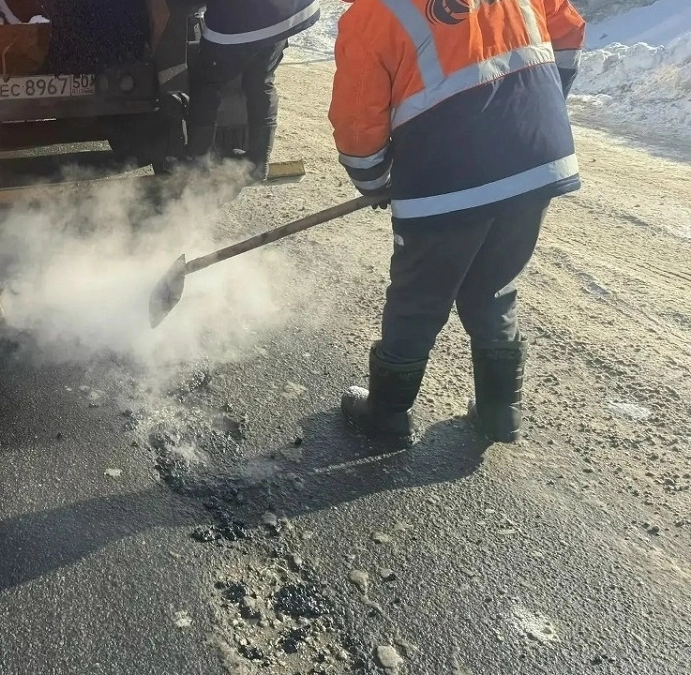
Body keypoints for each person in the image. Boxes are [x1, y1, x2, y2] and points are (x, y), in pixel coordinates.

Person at [329, 0, 586, 448]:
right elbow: (568, 33)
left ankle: (387, 415)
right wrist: (536, 111)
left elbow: (357, 121)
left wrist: (374, 182)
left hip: (447, 177)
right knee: (493, 285)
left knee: (419, 296)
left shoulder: (373, 13)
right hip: (536, 159)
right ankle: (500, 412)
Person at [183, 0, 321, 182]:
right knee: (261, 81)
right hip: (287, 13)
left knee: (207, 82)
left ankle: (197, 162)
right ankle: (258, 163)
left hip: (242, 18)